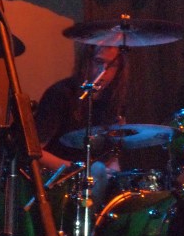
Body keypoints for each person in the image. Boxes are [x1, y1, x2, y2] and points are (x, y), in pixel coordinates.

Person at [35, 43, 129, 210]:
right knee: (97, 170)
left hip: (95, 181)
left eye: (112, 65)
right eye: (98, 62)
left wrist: (114, 169)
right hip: (59, 183)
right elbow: (35, 151)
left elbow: (112, 153)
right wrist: (78, 170)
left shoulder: (114, 101)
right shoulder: (60, 94)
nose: (104, 71)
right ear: (85, 62)